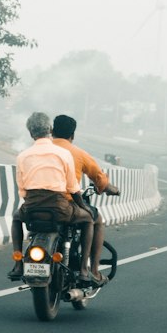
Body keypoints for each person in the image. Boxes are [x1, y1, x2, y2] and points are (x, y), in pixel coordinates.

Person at [7, 111, 97, 284]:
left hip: (31, 209)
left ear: (30, 133)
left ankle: (18, 265)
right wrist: (84, 208)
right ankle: (84, 270)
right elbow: (72, 187)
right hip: (59, 209)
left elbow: (23, 191)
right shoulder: (63, 154)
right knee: (87, 220)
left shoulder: (22, 156)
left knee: (16, 218)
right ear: (49, 129)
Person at [51, 113, 121, 285]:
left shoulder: (40, 150)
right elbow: (99, 178)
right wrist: (110, 189)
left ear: (52, 131)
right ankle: (91, 270)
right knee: (95, 219)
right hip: (66, 204)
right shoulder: (78, 153)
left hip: (36, 204)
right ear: (72, 135)